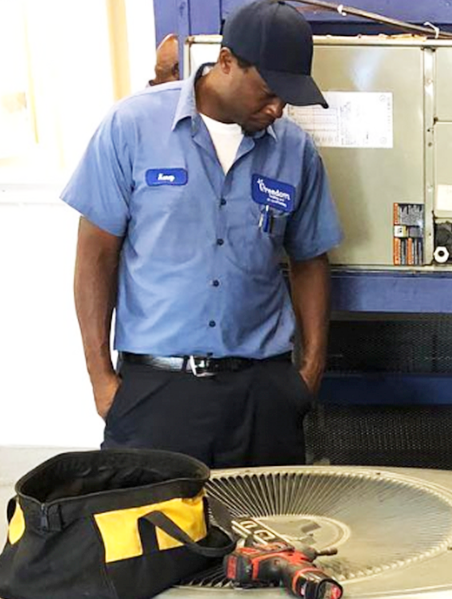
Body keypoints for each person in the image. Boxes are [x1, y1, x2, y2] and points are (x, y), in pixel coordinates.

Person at [63, 0, 342, 468]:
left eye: (287, 98)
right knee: (158, 535)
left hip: (263, 395)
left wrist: (309, 373)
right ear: (228, 61)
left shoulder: (295, 152)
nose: (277, 109)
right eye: (269, 91)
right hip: (158, 391)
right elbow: (95, 257)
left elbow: (310, 260)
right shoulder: (131, 128)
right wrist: (101, 379)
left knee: (270, 536)